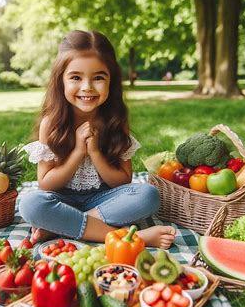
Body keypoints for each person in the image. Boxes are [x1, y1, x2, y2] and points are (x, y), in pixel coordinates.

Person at [19, 30, 175, 249]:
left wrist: (95, 153)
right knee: (30, 204)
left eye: (98, 77)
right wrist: (77, 153)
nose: (87, 87)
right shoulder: (51, 123)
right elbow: (46, 184)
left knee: (148, 194)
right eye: (75, 77)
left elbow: (122, 182)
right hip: (61, 200)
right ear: (60, 80)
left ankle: (60, 225)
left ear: (111, 80)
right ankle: (129, 238)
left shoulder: (115, 120)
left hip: (105, 201)